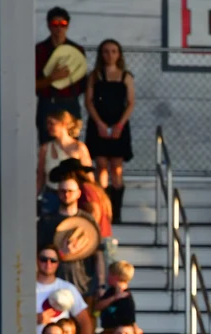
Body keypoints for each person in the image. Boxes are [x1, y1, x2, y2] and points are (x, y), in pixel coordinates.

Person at [84, 39, 134, 221]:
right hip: (99, 124)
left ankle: (117, 212)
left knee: (116, 168)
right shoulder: (95, 76)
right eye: (106, 51)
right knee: (101, 166)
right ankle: (102, 213)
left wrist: (119, 125)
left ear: (119, 54)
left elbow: (130, 103)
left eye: (114, 51)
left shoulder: (126, 76)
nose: (110, 55)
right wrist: (99, 124)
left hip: (119, 125)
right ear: (100, 54)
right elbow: (89, 102)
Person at [37, 177, 104, 298]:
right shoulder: (46, 221)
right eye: (62, 191)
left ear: (78, 194)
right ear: (58, 193)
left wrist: (101, 285)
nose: (66, 194)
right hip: (53, 287)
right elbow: (38, 252)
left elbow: (98, 254)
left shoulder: (88, 220)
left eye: (70, 191)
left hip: (84, 286)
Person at [35, 7, 86, 145]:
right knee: (47, 146)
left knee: (72, 146)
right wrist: (51, 79)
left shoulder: (77, 50)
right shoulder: (39, 50)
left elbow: (82, 81)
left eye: (62, 24)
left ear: (67, 25)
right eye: (54, 24)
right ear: (48, 25)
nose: (58, 28)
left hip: (70, 103)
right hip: (47, 103)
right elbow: (31, 84)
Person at [36, 245, 93, 334]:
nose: (48, 263)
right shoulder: (23, 287)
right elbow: (9, 319)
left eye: (53, 260)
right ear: (36, 260)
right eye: (43, 259)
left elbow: (85, 322)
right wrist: (35, 318)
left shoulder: (67, 288)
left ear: (58, 263)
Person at [37, 109, 92, 216]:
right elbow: (40, 177)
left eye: (52, 123)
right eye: (47, 123)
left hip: (72, 197)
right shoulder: (45, 148)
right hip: (52, 194)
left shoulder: (79, 148)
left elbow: (88, 176)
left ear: (64, 124)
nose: (48, 127)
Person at [95, 260, 137, 334]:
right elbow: (97, 306)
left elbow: (129, 320)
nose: (108, 277)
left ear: (116, 276)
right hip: (108, 332)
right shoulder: (111, 292)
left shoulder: (126, 299)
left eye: (110, 274)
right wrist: (114, 297)